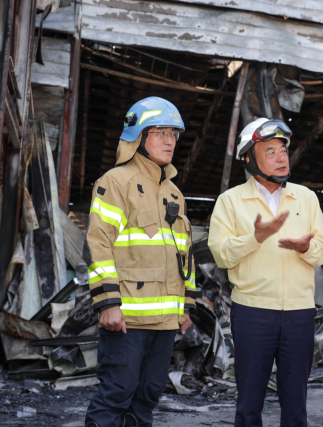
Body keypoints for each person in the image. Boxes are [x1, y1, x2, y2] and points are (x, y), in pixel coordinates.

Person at [208, 118, 323, 427]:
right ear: (249, 158)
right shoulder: (230, 201)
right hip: (252, 313)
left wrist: (307, 248)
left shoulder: (305, 197)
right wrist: (257, 237)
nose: (281, 158)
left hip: (299, 313)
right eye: (271, 152)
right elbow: (220, 254)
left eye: (283, 151)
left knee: (296, 404)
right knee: (249, 403)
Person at [84, 97, 200, 427]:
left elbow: (185, 257)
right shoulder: (116, 181)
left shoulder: (175, 194)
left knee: (148, 396)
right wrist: (107, 304)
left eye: (174, 134)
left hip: (165, 322)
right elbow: (98, 244)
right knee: (116, 393)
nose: (169, 141)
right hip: (127, 319)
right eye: (160, 132)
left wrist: (185, 309)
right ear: (138, 136)